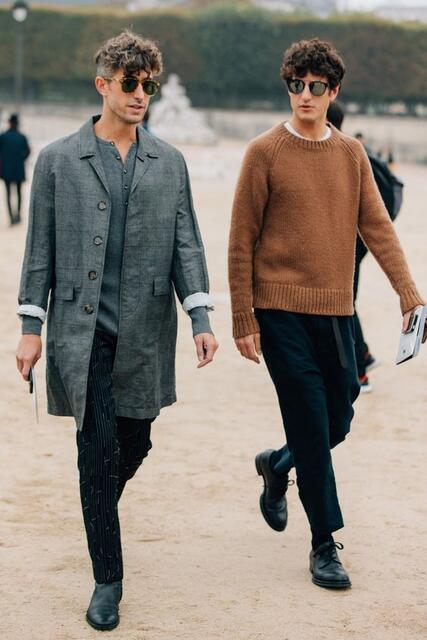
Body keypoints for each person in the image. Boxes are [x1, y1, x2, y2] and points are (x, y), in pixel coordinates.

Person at [15, 30, 218, 631]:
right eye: (129, 83)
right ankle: (109, 579)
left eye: (148, 84)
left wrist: (200, 317)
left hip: (145, 332)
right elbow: (39, 249)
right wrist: (30, 327)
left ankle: (95, 494)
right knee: (97, 448)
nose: (140, 94)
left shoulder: (170, 162)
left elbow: (187, 243)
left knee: (136, 441)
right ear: (102, 85)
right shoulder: (57, 160)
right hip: (83, 336)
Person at [228, 38, 424, 590]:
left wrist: (409, 294)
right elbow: (241, 238)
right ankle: (324, 543)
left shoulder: (351, 154)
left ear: (333, 91)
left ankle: (278, 464)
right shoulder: (263, 152)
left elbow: (378, 227)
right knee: (313, 423)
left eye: (316, 86)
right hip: (278, 311)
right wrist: (243, 317)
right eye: (297, 85)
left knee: (338, 417)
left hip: (336, 309)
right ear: (288, 86)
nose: (306, 95)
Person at [329, 104, 404, 392]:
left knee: (344, 304)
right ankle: (365, 357)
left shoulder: (345, 155)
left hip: (349, 242)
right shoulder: (353, 151)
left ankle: (360, 373)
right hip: (356, 242)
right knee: (347, 303)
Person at [0, 113, 30, 225]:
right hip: (18, 168)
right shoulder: (22, 137)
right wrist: (22, 159)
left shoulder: (3, 136)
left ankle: (11, 217)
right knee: (19, 192)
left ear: (9, 123)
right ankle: (18, 215)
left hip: (6, 169)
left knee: (8, 193)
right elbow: (28, 151)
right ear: (17, 124)